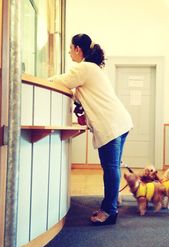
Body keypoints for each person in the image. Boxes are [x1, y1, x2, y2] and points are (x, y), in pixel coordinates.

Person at [49, 33, 133, 225]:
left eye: (71, 48)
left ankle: (109, 211)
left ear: (78, 49)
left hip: (111, 124)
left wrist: (45, 79)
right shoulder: (92, 69)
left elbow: (60, 80)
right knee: (112, 168)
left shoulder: (84, 68)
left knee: (110, 169)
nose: (70, 52)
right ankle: (111, 204)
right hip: (120, 122)